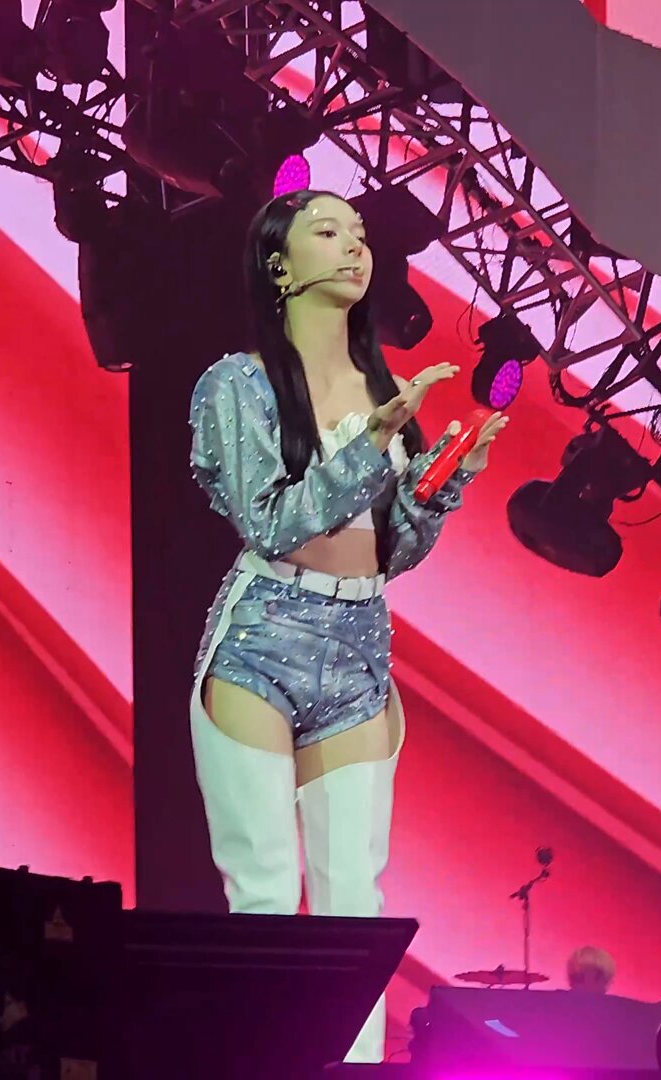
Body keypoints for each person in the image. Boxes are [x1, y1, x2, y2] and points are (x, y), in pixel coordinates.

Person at [187, 188, 508, 1062]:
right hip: (264, 634)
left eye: (360, 235)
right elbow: (271, 521)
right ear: (278, 264)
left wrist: (445, 480)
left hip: (360, 639)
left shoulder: (386, 390)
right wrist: (372, 445)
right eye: (327, 232)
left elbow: (391, 550)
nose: (353, 247)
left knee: (353, 900)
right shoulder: (238, 384)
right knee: (262, 887)